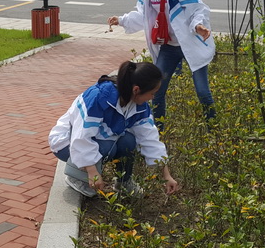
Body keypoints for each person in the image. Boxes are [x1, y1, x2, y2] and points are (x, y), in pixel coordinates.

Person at [108, 0, 216, 131]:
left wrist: (198, 25)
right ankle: (158, 131)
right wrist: (121, 20)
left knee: (202, 91)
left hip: (190, 42)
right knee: (155, 89)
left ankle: (213, 130)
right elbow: (143, 15)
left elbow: (197, 8)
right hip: (168, 46)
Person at [48, 60, 179, 198]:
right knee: (107, 147)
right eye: (152, 93)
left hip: (99, 139)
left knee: (128, 141)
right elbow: (81, 136)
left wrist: (166, 175)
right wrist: (92, 172)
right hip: (66, 143)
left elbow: (150, 139)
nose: (152, 98)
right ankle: (77, 177)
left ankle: (123, 182)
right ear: (136, 90)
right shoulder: (99, 97)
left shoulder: (139, 106)